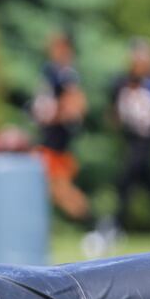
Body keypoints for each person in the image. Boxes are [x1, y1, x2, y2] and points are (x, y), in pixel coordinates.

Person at [108, 37, 150, 234]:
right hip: (131, 138)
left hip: (149, 139)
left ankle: (115, 225)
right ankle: (117, 225)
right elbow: (114, 110)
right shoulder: (122, 82)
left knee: (129, 178)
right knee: (146, 183)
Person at [31, 31, 92, 226]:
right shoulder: (51, 70)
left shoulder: (65, 73)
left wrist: (58, 115)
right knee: (53, 188)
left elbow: (78, 103)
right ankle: (96, 224)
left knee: (59, 189)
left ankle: (97, 224)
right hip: (49, 138)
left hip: (57, 140)